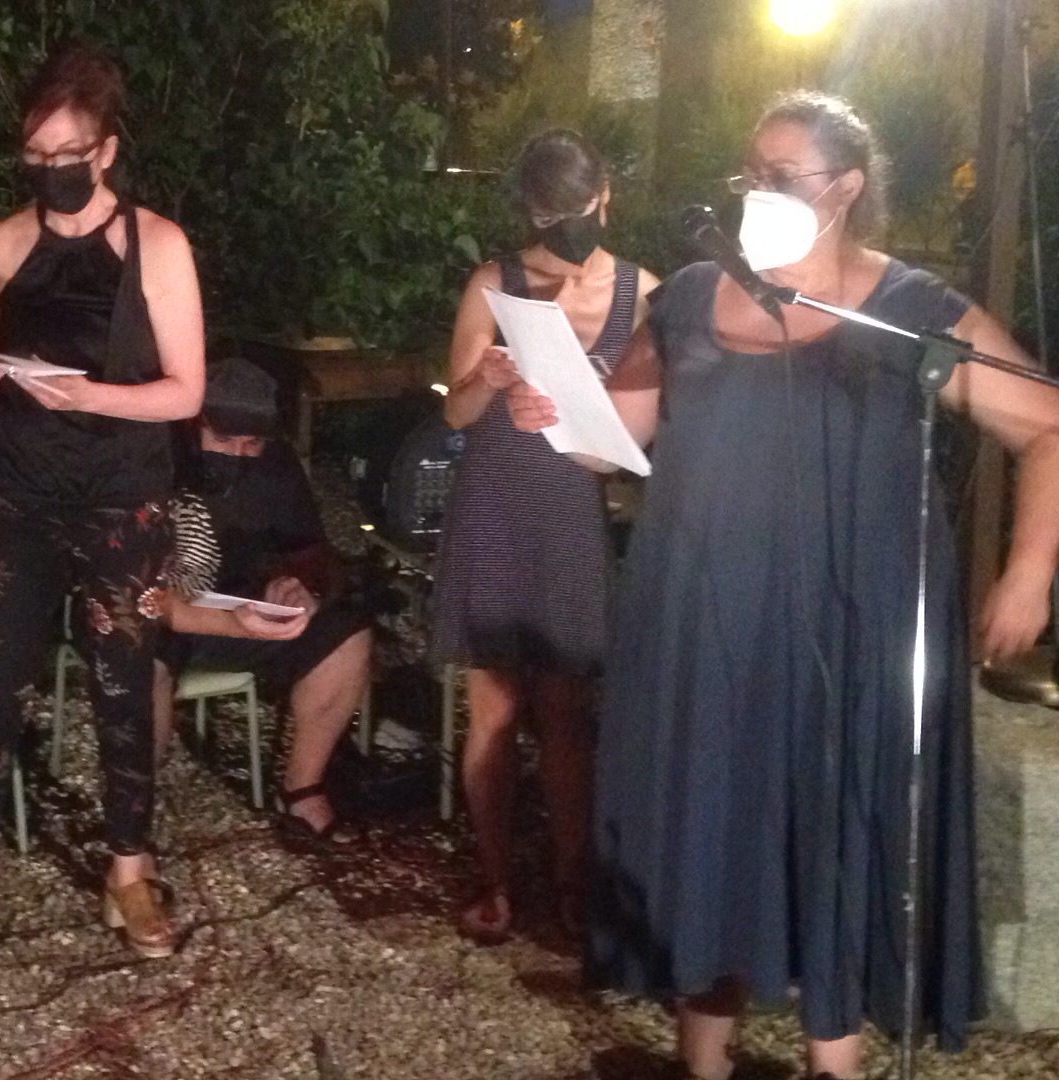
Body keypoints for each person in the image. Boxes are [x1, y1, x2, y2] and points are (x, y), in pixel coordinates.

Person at [504, 92, 1059, 1079]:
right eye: (749, 173)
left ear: (845, 190)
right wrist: (548, 410)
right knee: (710, 835)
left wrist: (1028, 572)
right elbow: (611, 437)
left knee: (835, 836)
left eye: (781, 176)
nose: (756, 192)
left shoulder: (909, 310)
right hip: (705, 622)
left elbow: (1047, 426)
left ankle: (830, 1063)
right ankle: (702, 1064)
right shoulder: (689, 296)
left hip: (855, 629)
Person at [0, 42, 207, 983]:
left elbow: (184, 391)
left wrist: (88, 395)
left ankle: (129, 874)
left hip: (123, 500)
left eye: (68, 154)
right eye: (36, 155)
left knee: (123, 689)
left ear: (107, 151)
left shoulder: (158, 246)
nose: (51, 170)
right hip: (23, 496)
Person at [430, 129, 658, 942]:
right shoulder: (495, 283)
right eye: (547, 214)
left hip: (572, 511)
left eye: (578, 208)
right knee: (492, 707)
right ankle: (494, 880)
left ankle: (572, 884)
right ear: (529, 211)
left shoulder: (644, 293)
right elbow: (454, 413)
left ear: (605, 196)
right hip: (496, 499)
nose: (566, 228)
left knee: (567, 711)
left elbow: (648, 424)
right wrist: (488, 381)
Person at [155, 359, 373, 847]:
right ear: (194, 423)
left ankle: (302, 788)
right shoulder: (156, 456)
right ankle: (135, 807)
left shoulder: (275, 466)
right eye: (223, 440)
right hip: (162, 611)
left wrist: (299, 586)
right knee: (140, 658)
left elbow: (309, 549)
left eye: (251, 443)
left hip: (244, 606)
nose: (238, 454)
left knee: (347, 635)